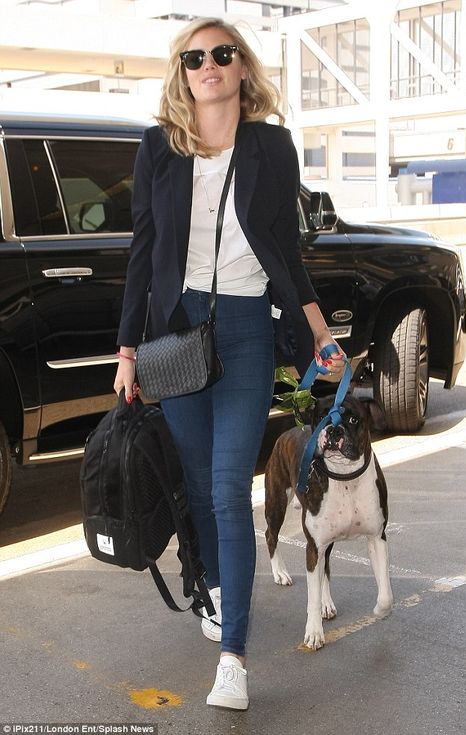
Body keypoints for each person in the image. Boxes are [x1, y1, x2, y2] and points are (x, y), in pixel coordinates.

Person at [114, 16, 344, 710]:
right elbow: (140, 252)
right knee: (193, 480)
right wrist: (127, 351)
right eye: (194, 57)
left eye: (221, 54)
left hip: (245, 329)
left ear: (242, 67)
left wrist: (319, 332)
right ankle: (213, 585)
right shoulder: (158, 148)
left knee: (224, 489)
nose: (207, 65)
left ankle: (233, 656)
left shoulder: (272, 147)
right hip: (175, 332)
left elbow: (286, 250)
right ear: (181, 72)